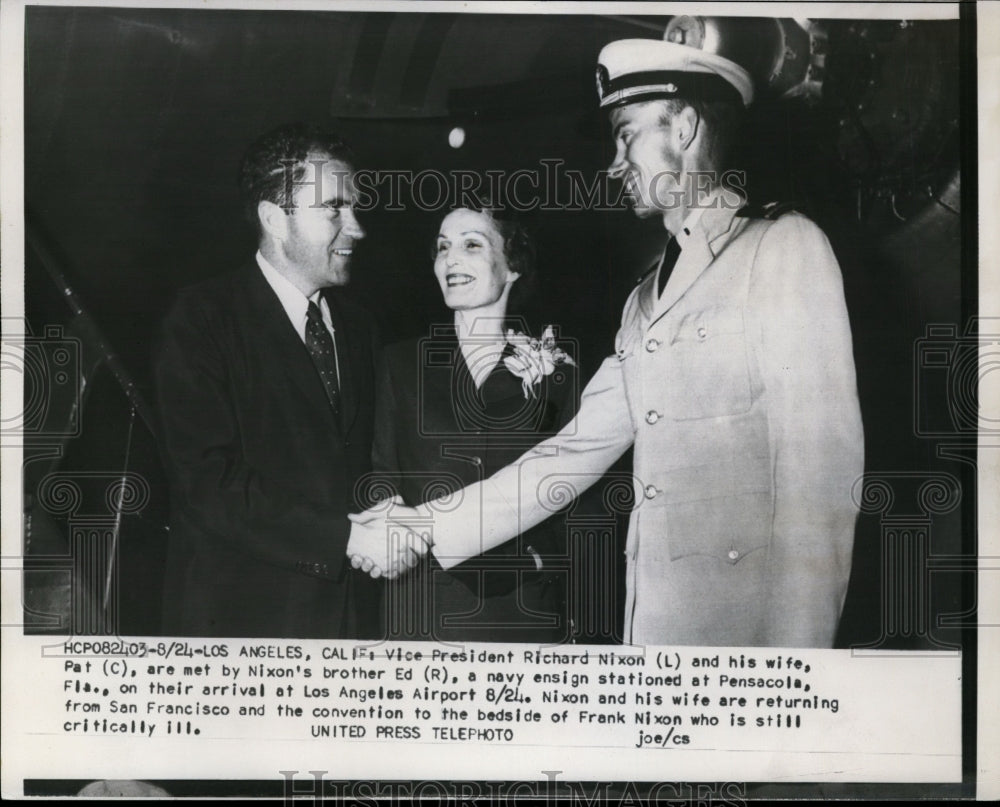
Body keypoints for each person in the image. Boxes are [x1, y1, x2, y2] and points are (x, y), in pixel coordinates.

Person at [348, 39, 864, 648]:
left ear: (686, 127)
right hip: (654, 633)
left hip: (747, 638)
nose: (613, 162)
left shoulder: (781, 248)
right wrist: (426, 522)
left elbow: (821, 484)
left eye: (625, 135)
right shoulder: (642, 300)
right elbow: (571, 451)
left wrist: (800, 670)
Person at [154, 122, 381, 638]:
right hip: (241, 624)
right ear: (274, 218)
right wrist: (344, 539)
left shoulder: (360, 327)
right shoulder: (201, 319)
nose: (357, 227)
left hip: (347, 624)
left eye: (354, 206)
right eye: (334, 208)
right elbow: (206, 483)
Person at [370, 205, 577, 643]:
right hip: (425, 610)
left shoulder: (556, 372)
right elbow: (381, 476)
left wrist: (536, 562)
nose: (450, 259)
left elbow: (582, 497)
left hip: (524, 613)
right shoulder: (401, 364)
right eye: (442, 247)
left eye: (471, 245)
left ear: (513, 266)